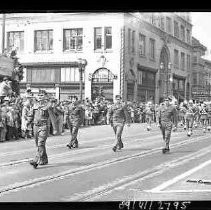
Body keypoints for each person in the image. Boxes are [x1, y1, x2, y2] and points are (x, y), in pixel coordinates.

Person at [29, 94, 51, 169]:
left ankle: (36, 160)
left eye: (42, 95)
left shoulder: (48, 106)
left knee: (40, 143)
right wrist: (27, 124)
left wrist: (55, 128)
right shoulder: (35, 105)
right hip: (35, 126)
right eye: (39, 95)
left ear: (45, 97)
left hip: (44, 126)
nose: (40, 97)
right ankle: (44, 159)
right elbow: (31, 115)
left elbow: (53, 117)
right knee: (39, 144)